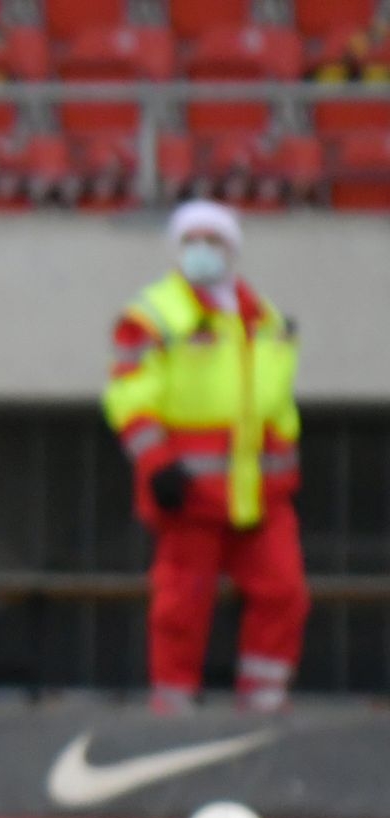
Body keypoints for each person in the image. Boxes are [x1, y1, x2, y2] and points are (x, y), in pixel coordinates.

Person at [103, 200, 306, 713]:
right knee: (181, 605)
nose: (201, 251)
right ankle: (173, 705)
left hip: (260, 492)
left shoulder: (265, 318)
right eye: (191, 240)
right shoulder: (152, 315)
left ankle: (263, 699)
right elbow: (129, 398)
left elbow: (277, 407)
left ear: (231, 249)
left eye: (212, 241)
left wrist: (287, 463)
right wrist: (157, 464)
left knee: (285, 594)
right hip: (188, 489)